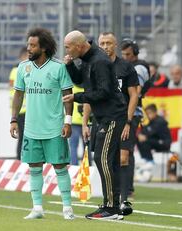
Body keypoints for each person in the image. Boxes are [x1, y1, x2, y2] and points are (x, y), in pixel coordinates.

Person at [10, 28, 74, 220]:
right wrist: (14, 119)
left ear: (44, 47)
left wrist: (68, 121)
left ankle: (67, 209)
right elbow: (18, 95)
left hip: (54, 128)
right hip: (31, 128)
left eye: (33, 45)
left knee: (60, 167)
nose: (28, 48)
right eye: (28, 45)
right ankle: (37, 208)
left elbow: (67, 96)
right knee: (34, 167)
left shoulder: (58, 67)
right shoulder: (23, 68)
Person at [63, 30, 127, 220]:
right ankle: (112, 206)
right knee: (106, 160)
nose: (66, 50)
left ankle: (111, 208)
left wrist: (77, 97)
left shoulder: (99, 61)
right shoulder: (86, 58)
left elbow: (104, 92)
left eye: (68, 47)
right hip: (104, 117)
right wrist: (69, 65)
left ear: (79, 46)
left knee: (102, 159)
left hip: (113, 116)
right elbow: (80, 81)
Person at [96, 32, 138, 216]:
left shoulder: (125, 67)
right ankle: (112, 200)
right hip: (104, 120)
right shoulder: (95, 67)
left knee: (122, 158)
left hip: (123, 119)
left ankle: (123, 198)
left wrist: (128, 121)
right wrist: (85, 122)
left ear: (115, 45)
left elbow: (134, 95)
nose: (105, 46)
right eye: (102, 43)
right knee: (107, 160)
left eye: (108, 43)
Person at [120, 38, 151, 203]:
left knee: (127, 151)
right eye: (123, 54)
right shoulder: (127, 66)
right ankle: (125, 186)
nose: (125, 57)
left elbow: (136, 93)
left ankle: (128, 188)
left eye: (128, 54)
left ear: (136, 54)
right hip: (123, 112)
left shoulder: (138, 68)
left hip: (132, 113)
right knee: (124, 151)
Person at [9, 47, 28, 160]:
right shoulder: (20, 70)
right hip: (24, 108)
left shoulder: (13, 71)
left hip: (18, 109)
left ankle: (19, 158)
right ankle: (21, 158)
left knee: (22, 136)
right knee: (24, 137)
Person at [69, 85, 85, 165]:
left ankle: (74, 166)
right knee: (87, 147)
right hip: (86, 122)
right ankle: (87, 166)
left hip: (74, 121)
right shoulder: (87, 88)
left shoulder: (72, 88)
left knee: (73, 146)